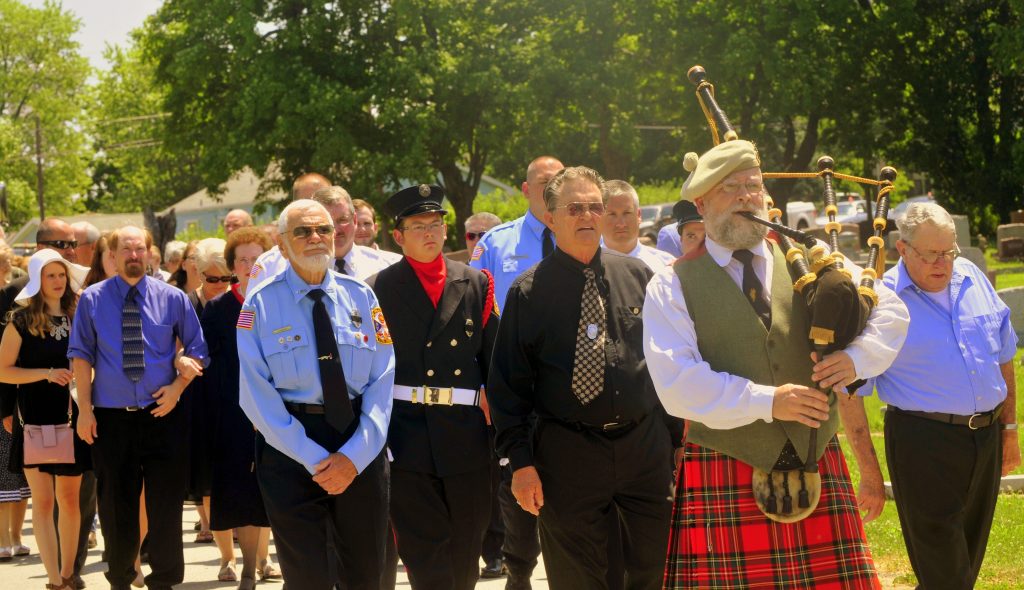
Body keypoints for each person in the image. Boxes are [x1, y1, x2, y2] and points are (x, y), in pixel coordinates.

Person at [642, 140, 908, 588]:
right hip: (726, 465)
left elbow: (889, 309)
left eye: (754, 186)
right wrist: (768, 402)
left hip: (817, 459)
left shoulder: (811, 258)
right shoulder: (671, 284)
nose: (748, 197)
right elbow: (675, 384)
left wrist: (855, 358)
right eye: (732, 189)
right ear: (702, 203)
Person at [488, 166, 678, 589]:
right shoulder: (528, 292)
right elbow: (508, 389)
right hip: (567, 456)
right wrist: (520, 464)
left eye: (595, 206)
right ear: (551, 217)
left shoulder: (640, 278)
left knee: (654, 572)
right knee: (579, 579)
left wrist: (675, 442)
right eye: (575, 208)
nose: (588, 216)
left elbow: (667, 367)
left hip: (644, 451)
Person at [238, 199, 395, 589]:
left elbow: (383, 378)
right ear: (281, 242)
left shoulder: (362, 297)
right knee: (307, 577)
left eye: (323, 230)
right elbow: (255, 394)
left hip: (358, 447)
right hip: (291, 449)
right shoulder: (260, 304)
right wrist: (315, 459)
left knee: (366, 575)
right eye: (303, 231)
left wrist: (353, 457)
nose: (316, 238)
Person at [871, 202, 1020, 589]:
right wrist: (869, 471)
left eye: (949, 252)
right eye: (931, 254)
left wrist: (1010, 430)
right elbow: (852, 390)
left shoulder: (972, 276)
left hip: (985, 438)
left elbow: (1004, 357)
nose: (943, 263)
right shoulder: (881, 297)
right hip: (922, 443)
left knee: (964, 565)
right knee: (947, 576)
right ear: (902, 249)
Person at [367, 185, 498, 589]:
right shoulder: (376, 288)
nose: (430, 232)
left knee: (465, 551)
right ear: (398, 235)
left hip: (466, 434)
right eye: (418, 225)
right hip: (407, 435)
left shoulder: (475, 282)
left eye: (436, 224)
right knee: (424, 555)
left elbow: (494, 360)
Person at [69, 225, 208, 590]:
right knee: (116, 508)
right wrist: (84, 409)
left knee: (165, 506)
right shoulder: (92, 299)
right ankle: (119, 579)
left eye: (139, 249)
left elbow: (198, 350)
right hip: (111, 420)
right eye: (125, 250)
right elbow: (80, 356)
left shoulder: (172, 298)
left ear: (149, 254)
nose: (133, 256)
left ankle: (164, 581)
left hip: (163, 415)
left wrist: (178, 387)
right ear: (112, 256)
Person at [470, 156, 562, 588]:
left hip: (571, 382)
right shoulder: (495, 243)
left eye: (560, 182)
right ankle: (519, 571)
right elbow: (472, 317)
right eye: (545, 183)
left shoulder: (583, 235)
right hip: (516, 386)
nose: (553, 189)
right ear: (526, 190)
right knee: (516, 480)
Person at [0, 250, 90, 589]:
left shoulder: (80, 315)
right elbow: (3, 371)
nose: (57, 281)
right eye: (50, 275)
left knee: (70, 499)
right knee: (43, 500)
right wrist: (46, 373)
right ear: (37, 280)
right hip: (34, 417)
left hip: (74, 416)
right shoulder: (20, 320)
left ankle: (68, 574)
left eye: (61, 275)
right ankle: (53, 579)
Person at [201, 227, 278, 590]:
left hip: (280, 412)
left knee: (273, 490)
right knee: (242, 492)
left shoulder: (281, 302)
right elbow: (206, 362)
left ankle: (266, 560)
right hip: (233, 415)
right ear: (233, 266)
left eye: (256, 259)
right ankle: (247, 568)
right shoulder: (217, 309)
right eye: (242, 260)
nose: (250, 266)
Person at [183, 238, 229, 549]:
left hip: (229, 392)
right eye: (213, 279)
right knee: (204, 466)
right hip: (196, 394)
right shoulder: (186, 304)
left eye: (228, 278)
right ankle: (210, 524)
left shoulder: (240, 303)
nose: (221, 285)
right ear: (199, 274)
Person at [599, 180, 675, 271]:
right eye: (612, 214)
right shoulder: (587, 268)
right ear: (599, 218)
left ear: (638, 215)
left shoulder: (666, 265)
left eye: (627, 213)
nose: (621, 224)